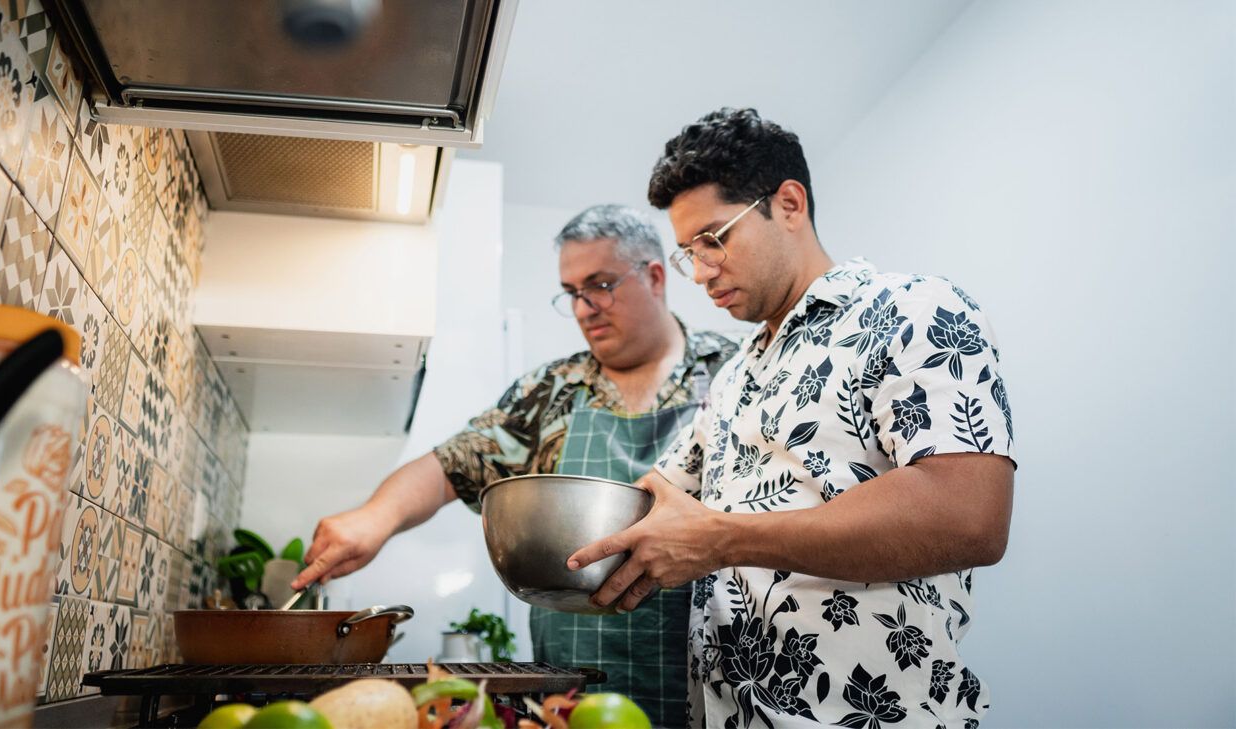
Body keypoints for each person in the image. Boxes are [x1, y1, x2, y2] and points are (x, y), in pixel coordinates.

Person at [567, 108, 1016, 728]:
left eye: (715, 239)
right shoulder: (734, 378)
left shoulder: (914, 311)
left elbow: (970, 518)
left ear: (789, 203)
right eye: (686, 253)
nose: (699, 273)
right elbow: (659, 502)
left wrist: (723, 539)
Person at [293, 204, 738, 727]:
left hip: (709, 683)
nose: (583, 308)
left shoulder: (730, 374)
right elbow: (451, 463)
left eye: (599, 285)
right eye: (571, 293)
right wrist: (375, 517)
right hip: (568, 694)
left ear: (656, 276)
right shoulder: (550, 390)